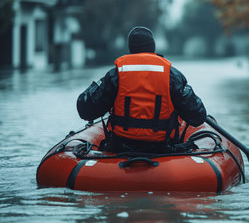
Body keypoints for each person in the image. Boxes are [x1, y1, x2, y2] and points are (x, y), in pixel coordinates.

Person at [77, 26, 206, 152]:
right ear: (153, 48)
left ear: (131, 49)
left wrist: (97, 85)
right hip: (163, 149)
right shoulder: (172, 76)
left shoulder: (115, 75)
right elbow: (198, 116)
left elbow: (85, 110)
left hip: (120, 148)